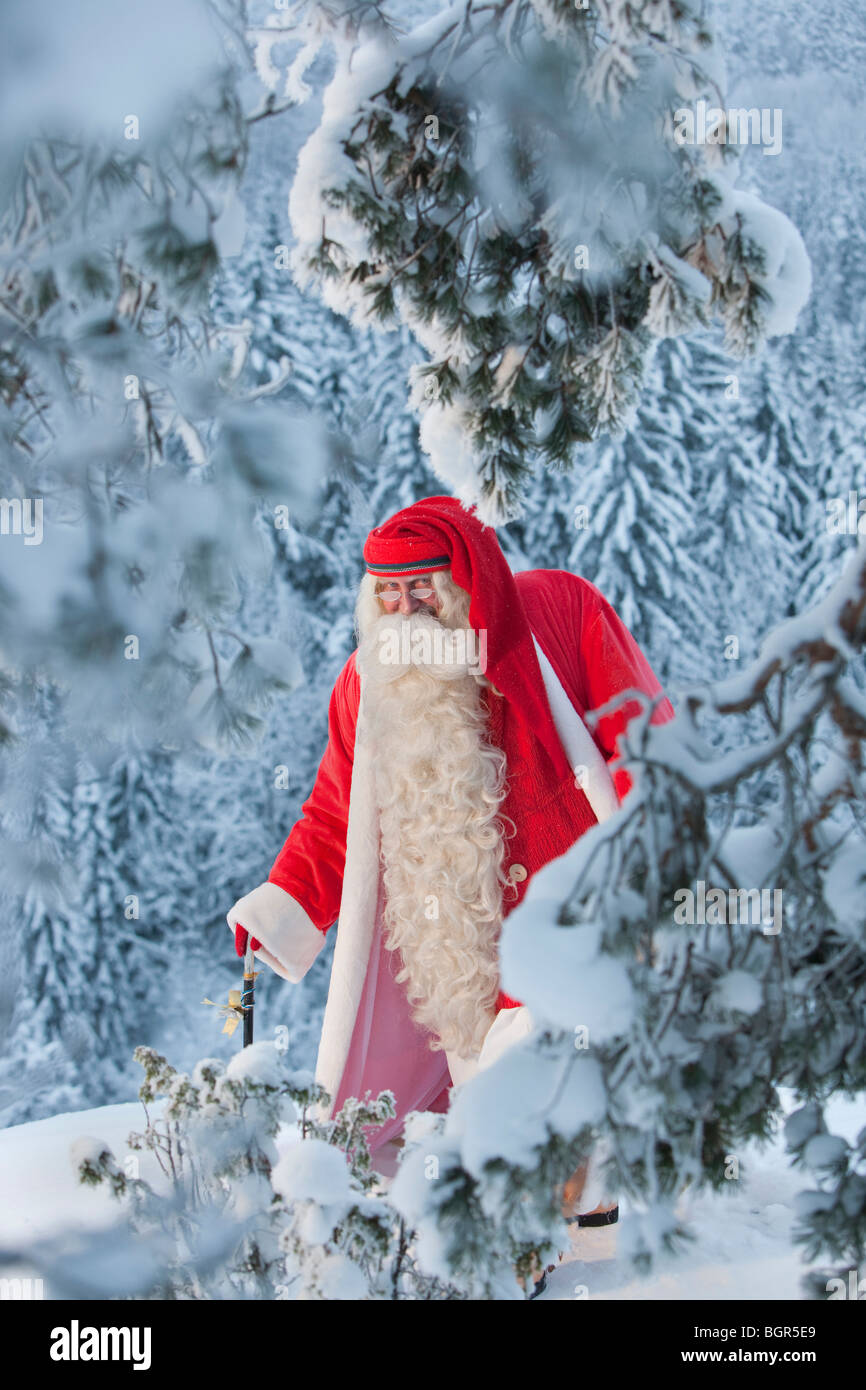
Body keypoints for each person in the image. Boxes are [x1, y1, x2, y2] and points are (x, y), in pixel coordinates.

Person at [227, 495, 675, 1294]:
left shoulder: (560, 614)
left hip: (568, 921)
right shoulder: (371, 683)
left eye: (423, 589)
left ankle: (593, 1255)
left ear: (467, 583)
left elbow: (643, 734)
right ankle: (529, 1257)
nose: (404, 611)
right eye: (387, 595)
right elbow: (336, 810)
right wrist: (286, 904)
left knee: (564, 1092)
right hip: (458, 950)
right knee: (491, 1115)